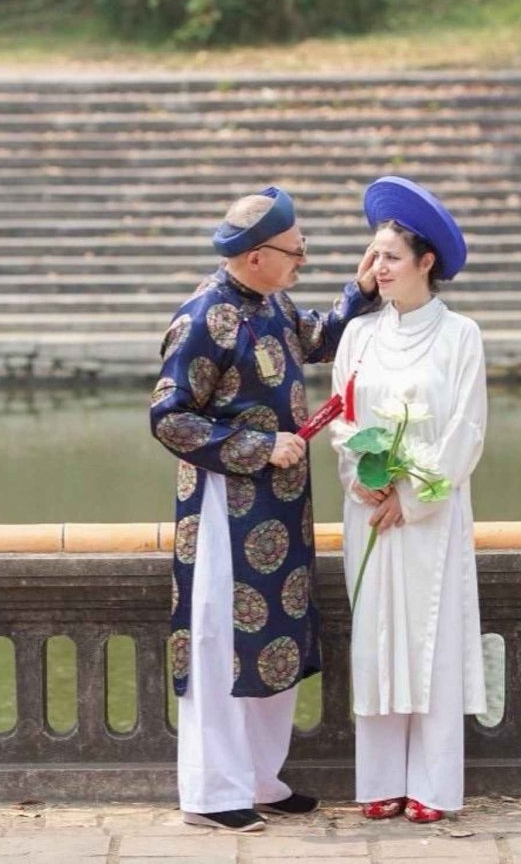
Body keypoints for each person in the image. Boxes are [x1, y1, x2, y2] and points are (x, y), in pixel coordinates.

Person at [150, 185, 379, 833]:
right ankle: (210, 789)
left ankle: (258, 778)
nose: (302, 255)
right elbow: (168, 417)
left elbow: (311, 337)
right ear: (255, 256)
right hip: (225, 506)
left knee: (275, 639)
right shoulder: (203, 319)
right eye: (294, 248)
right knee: (222, 642)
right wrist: (256, 445)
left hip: (280, 508)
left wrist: (357, 295)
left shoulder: (271, 299)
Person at [328, 175, 487, 824]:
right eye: (373, 256)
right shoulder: (359, 335)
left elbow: (466, 432)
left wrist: (414, 495)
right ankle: (380, 779)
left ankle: (434, 783)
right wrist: (361, 477)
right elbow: (341, 414)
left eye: (391, 256)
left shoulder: (460, 336)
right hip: (369, 514)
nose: (378, 268)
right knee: (376, 639)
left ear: (426, 262)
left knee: (430, 640)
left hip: (431, 517)